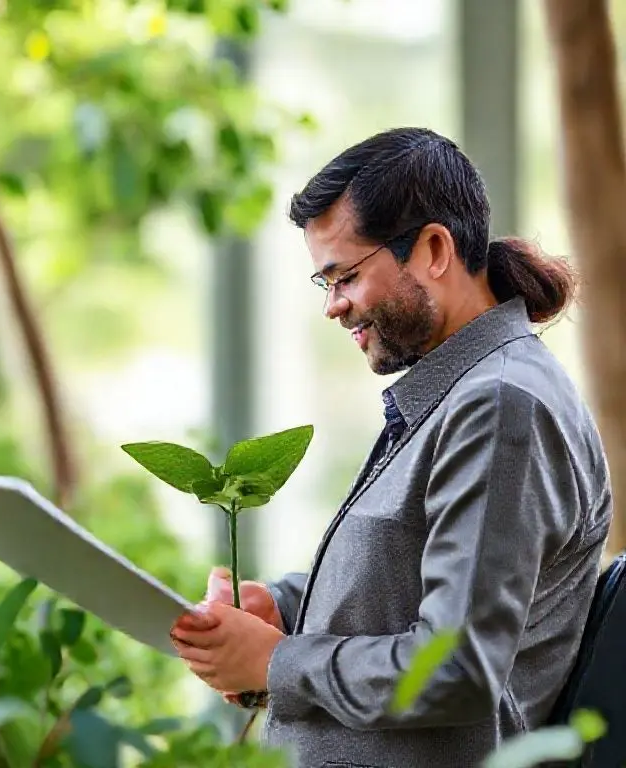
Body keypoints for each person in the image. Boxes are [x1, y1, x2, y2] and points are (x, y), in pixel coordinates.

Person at [169, 127, 613, 767]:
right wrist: (286, 609)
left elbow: (455, 666)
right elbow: (407, 577)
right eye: (324, 283)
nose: (334, 307)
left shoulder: (499, 406)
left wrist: (274, 661)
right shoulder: (457, 392)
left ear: (434, 249)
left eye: (344, 276)